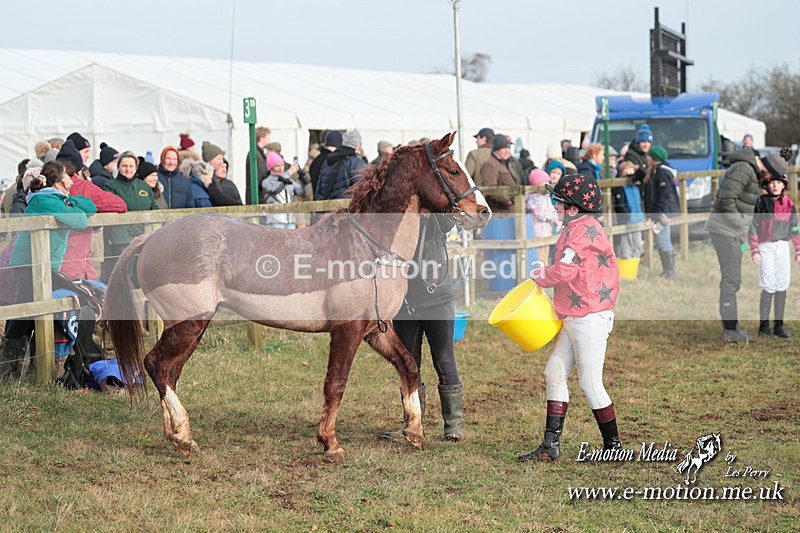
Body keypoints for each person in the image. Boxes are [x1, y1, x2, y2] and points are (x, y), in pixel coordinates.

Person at [519, 173, 620, 462]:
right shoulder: (582, 227)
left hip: (587, 316)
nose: (554, 206)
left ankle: (613, 448)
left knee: (590, 383)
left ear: (573, 208)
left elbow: (564, 271)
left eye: (558, 202)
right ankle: (550, 445)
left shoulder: (580, 231)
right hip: (577, 314)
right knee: (554, 371)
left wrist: (537, 275)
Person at [0, 161, 97, 380]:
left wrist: (70, 202)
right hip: (28, 264)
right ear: (60, 180)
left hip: (45, 265)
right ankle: (7, 370)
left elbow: (90, 205)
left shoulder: (57, 199)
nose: (73, 180)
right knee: (24, 315)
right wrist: (72, 205)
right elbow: (81, 220)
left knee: (38, 313)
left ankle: (31, 369)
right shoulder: (44, 200)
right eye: (68, 176)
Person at [383, 213, 465, 441]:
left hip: (437, 299)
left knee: (445, 360)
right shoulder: (398, 217)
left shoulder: (438, 217)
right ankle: (412, 423)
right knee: (408, 364)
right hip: (406, 301)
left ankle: (453, 426)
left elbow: (449, 221)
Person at [705, 147, 768, 342]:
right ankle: (731, 330)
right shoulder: (744, 169)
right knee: (731, 280)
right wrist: (741, 222)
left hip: (728, 231)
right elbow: (726, 200)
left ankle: (731, 328)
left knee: (731, 280)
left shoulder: (747, 169)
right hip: (726, 230)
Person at [55, 141, 127, 280]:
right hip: (76, 263)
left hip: (48, 262)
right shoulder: (82, 187)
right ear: (77, 168)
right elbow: (120, 205)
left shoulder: (44, 187)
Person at [748, 148, 799, 338]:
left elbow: (794, 229)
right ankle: (764, 326)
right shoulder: (760, 203)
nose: (775, 186)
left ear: (783, 184)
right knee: (768, 284)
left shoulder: (789, 205)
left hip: (782, 247)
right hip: (765, 246)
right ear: (767, 184)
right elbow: (753, 227)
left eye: (779, 183)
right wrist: (755, 249)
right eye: (772, 183)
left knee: (781, 283)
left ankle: (779, 325)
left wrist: (798, 249)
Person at [102, 151, 158, 282]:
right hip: (121, 240)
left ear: (136, 167)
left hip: (144, 238)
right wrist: (131, 224)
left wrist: (142, 226)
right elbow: (114, 209)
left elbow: (154, 209)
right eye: (124, 166)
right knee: (123, 276)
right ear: (118, 167)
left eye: (131, 166)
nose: (128, 169)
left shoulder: (144, 187)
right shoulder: (110, 187)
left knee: (142, 276)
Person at [643, 146, 680, 279]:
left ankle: (670, 272)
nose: (647, 158)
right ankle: (667, 271)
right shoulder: (656, 171)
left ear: (654, 158)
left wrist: (661, 212)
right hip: (658, 212)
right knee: (660, 240)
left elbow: (665, 194)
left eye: (649, 156)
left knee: (663, 240)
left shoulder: (662, 173)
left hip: (662, 213)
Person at [314, 129, 367, 202]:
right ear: (359, 146)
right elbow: (362, 193)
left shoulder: (328, 161)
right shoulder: (357, 163)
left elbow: (318, 191)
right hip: (345, 210)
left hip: (326, 209)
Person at [261, 151, 309, 228]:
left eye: (282, 165)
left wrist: (302, 177)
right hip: (275, 221)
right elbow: (275, 189)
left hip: (290, 221)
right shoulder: (266, 181)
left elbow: (302, 192)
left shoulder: (288, 179)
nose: (281, 168)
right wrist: (289, 173)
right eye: (277, 166)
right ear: (271, 168)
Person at [525, 169, 559, 264]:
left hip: (546, 231)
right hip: (538, 232)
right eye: (545, 183)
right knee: (539, 258)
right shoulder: (534, 199)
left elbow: (552, 209)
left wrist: (557, 219)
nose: (548, 185)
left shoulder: (546, 198)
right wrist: (552, 217)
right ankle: (539, 275)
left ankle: (543, 274)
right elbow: (541, 214)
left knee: (545, 256)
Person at [479, 134, 519, 213]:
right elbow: (490, 188)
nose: (507, 151)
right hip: (500, 212)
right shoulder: (490, 164)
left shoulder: (504, 163)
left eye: (509, 147)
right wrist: (508, 201)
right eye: (504, 148)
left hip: (511, 211)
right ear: (496, 149)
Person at [613, 160, 644, 262]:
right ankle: (626, 264)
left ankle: (635, 262)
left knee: (638, 243)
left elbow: (643, 176)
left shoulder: (636, 185)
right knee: (626, 243)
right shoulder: (620, 187)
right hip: (627, 219)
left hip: (638, 218)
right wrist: (626, 215)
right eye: (626, 174)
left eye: (631, 174)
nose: (629, 177)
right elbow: (619, 203)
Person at [245, 126, 271, 205]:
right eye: (267, 137)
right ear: (261, 138)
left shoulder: (259, 153)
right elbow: (261, 176)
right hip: (258, 198)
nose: (269, 140)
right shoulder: (255, 154)